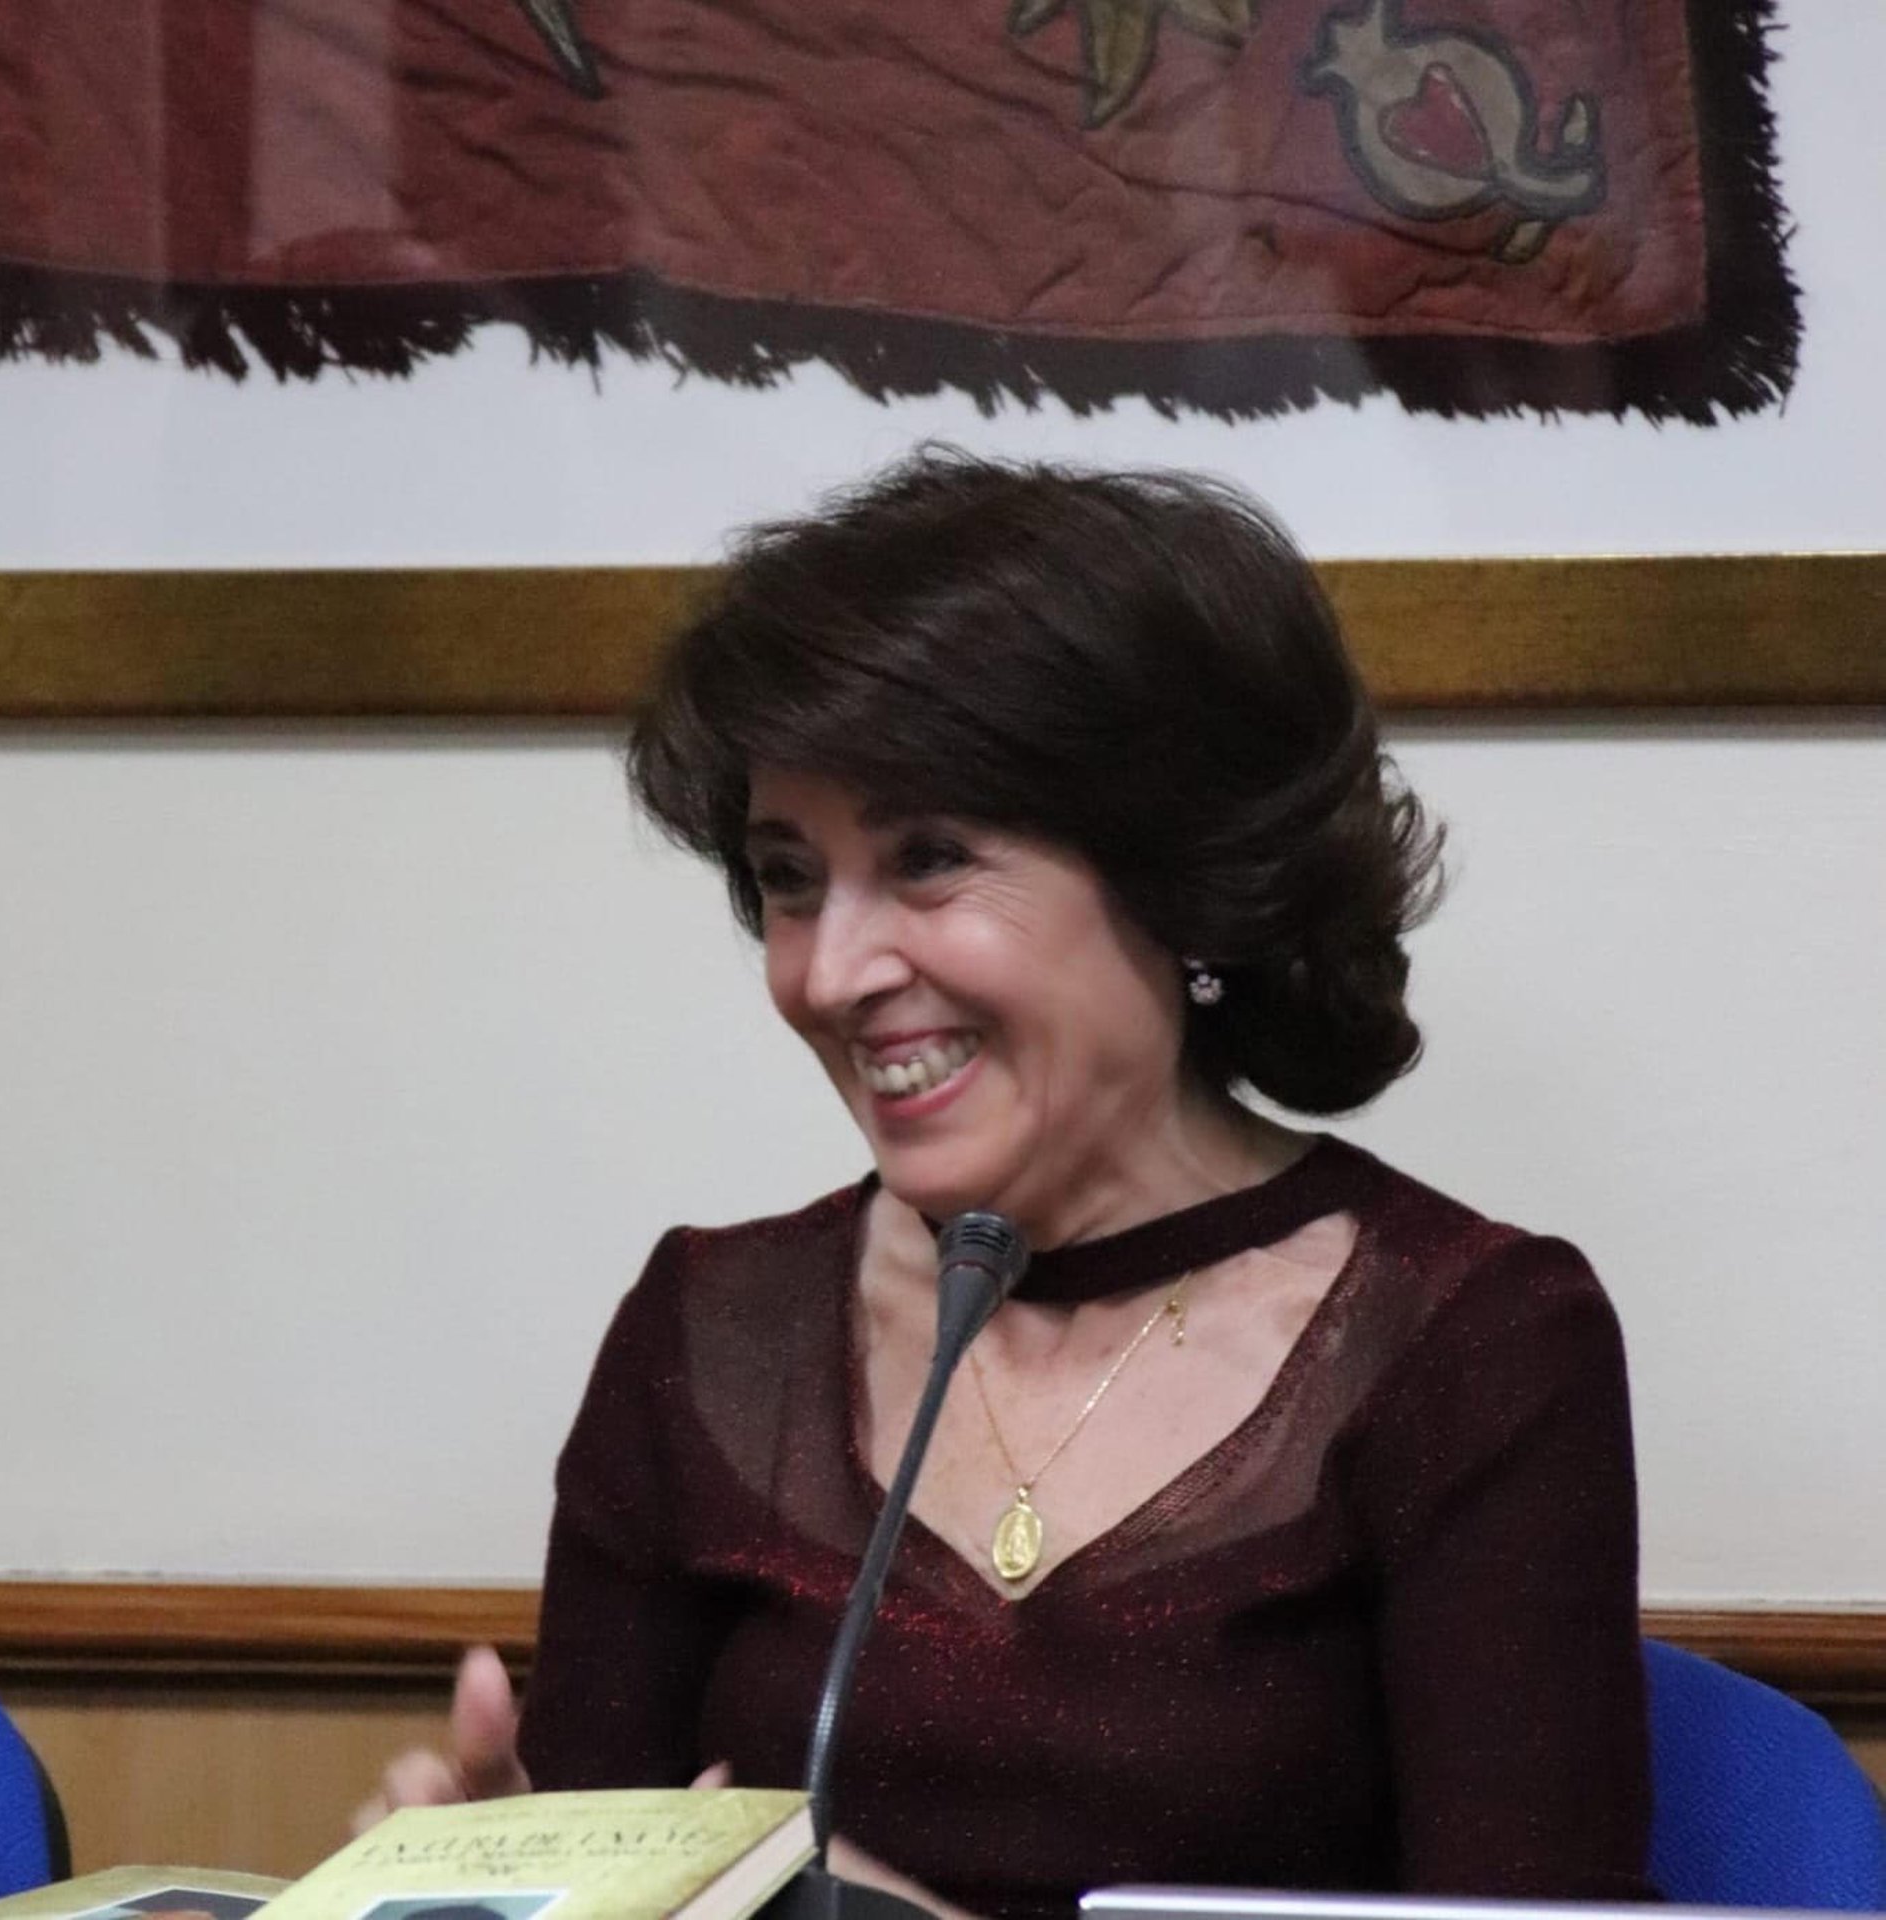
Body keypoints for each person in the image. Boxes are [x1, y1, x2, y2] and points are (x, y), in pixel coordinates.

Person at [359, 452, 1655, 1917]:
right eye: (789, 879)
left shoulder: (1471, 1346)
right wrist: (510, 1884)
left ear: (1178, 877)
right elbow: (604, 1858)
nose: (831, 973)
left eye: (929, 860)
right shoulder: (708, 1333)